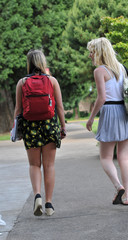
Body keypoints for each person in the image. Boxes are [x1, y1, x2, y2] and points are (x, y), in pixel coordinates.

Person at [86, 38, 128, 206]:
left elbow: (101, 98)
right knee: (124, 157)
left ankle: (118, 186)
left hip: (110, 112)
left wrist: (91, 118)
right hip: (126, 112)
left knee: (105, 157)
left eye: (92, 52)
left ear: (99, 52)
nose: (89, 55)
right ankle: (127, 196)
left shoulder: (99, 71)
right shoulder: (121, 68)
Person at [13, 49, 66, 216]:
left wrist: (17, 130)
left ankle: (37, 196)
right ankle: (49, 204)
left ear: (29, 63)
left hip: (30, 127)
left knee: (34, 164)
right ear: (43, 62)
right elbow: (59, 107)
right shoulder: (52, 81)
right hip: (50, 125)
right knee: (49, 165)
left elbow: (18, 109)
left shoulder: (21, 82)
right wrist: (63, 127)